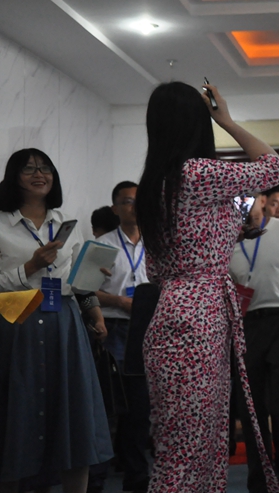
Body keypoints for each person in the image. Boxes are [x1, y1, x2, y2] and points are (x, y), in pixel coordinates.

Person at [135, 81, 279, 492]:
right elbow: (276, 168)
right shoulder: (198, 172)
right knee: (192, 449)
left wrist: (219, 242)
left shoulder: (155, 183)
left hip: (175, 310)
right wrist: (228, 121)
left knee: (185, 444)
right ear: (197, 122)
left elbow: (155, 269)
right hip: (201, 316)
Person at [0, 148, 113, 493]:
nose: (40, 174)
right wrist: (31, 267)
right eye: (29, 169)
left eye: (45, 168)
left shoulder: (67, 222)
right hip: (15, 319)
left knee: (73, 420)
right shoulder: (1, 222)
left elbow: (78, 282)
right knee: (16, 417)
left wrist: (95, 302)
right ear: (13, 177)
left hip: (64, 321)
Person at [229, 193, 279, 492]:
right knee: (252, 406)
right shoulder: (229, 239)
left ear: (262, 200)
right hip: (248, 323)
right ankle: (259, 477)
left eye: (249, 197)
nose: (243, 204)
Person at [93, 181, 151, 492]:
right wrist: (118, 301)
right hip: (113, 327)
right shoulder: (103, 245)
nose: (134, 207)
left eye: (138, 201)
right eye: (127, 201)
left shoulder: (156, 243)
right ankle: (97, 478)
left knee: (141, 407)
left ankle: (137, 475)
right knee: (110, 405)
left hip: (147, 330)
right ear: (115, 208)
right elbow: (84, 289)